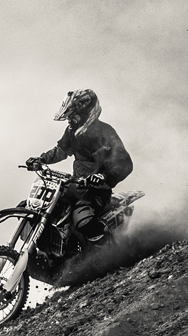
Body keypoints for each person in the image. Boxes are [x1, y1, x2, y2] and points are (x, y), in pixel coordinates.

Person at [24, 89, 133, 247]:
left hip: (97, 189)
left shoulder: (105, 132)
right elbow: (61, 150)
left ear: (86, 113)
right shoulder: (72, 131)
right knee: (36, 207)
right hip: (77, 185)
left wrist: (104, 177)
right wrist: (41, 159)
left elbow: (125, 163)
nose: (69, 120)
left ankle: (111, 250)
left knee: (83, 220)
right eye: (68, 116)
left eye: (72, 116)